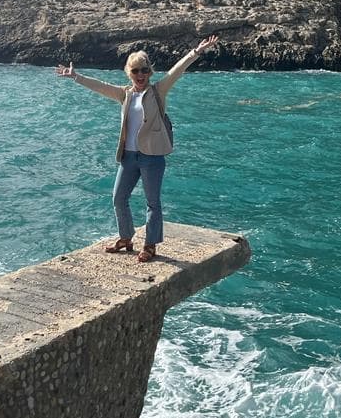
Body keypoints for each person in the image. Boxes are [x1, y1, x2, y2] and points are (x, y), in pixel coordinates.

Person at [55, 36, 219, 262]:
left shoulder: (158, 91)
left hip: (152, 157)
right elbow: (101, 87)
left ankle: (150, 245)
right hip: (129, 157)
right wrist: (75, 77)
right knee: (118, 198)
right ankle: (126, 238)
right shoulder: (125, 94)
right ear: (128, 73)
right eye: (135, 71)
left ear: (150, 72)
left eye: (144, 70)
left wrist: (197, 51)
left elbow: (177, 71)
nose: (140, 75)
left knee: (152, 202)